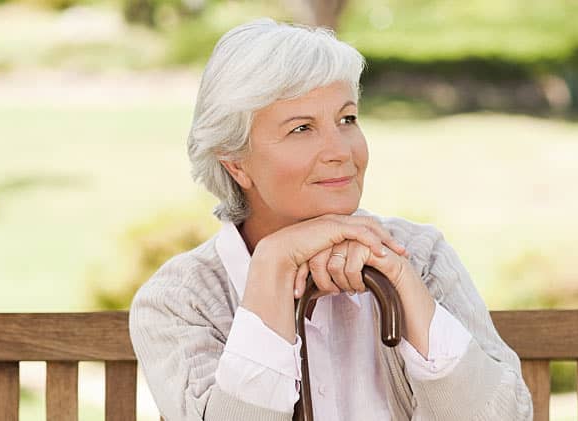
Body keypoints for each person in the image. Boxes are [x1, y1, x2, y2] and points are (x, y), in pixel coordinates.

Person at [127, 18, 533, 420]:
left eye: (347, 119)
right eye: (302, 128)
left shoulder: (422, 257)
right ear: (236, 165)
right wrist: (273, 265)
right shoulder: (181, 301)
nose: (340, 150)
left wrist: (406, 287)